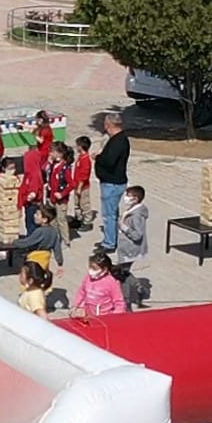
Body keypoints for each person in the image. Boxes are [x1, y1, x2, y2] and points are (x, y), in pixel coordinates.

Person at [95, 114, 131, 252]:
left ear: (110, 125)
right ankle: (111, 238)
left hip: (112, 183)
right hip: (113, 182)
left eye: (105, 124)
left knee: (109, 215)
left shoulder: (118, 142)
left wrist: (98, 158)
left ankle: (110, 243)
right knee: (112, 213)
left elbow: (109, 161)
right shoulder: (117, 139)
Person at [116, 185, 150, 306]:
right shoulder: (131, 209)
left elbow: (137, 235)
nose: (125, 198)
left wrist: (123, 227)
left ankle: (125, 300)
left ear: (135, 198)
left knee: (121, 274)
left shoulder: (137, 215)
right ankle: (138, 287)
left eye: (128, 196)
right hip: (124, 246)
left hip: (130, 249)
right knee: (122, 272)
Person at [73, 249, 128, 317]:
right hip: (87, 316)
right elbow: (82, 291)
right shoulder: (88, 277)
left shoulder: (112, 282)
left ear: (104, 269)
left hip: (104, 318)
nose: (91, 270)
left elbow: (119, 303)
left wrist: (113, 318)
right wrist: (76, 306)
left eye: (94, 268)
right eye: (90, 267)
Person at [13, 204, 65, 272]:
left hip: (35, 258)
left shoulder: (39, 231)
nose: (34, 215)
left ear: (44, 219)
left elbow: (27, 242)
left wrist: (15, 242)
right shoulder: (53, 231)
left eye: (37, 215)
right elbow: (57, 248)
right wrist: (60, 262)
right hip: (46, 258)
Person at [71, 136, 96, 232]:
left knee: (84, 204)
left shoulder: (86, 160)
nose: (76, 147)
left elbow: (84, 176)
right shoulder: (81, 157)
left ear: (81, 147)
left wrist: (79, 187)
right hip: (77, 185)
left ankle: (87, 222)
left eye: (77, 145)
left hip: (82, 187)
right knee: (76, 203)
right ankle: (78, 218)